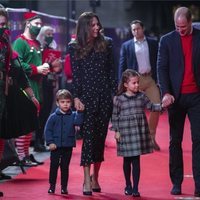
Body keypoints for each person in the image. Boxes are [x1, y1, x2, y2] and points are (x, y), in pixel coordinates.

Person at [68, 12, 117, 195]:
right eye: (92, 25)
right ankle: (85, 179)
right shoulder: (74, 47)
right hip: (86, 100)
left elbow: (111, 72)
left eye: (98, 24)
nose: (97, 27)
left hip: (104, 97)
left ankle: (95, 176)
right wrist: (76, 98)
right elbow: (76, 77)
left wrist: (115, 94)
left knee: (99, 139)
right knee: (88, 140)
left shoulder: (107, 43)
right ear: (84, 27)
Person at [157, 7, 200, 197]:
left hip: (197, 96)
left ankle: (199, 183)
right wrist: (165, 92)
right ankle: (176, 182)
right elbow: (162, 68)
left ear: (191, 22)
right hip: (175, 97)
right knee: (175, 141)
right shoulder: (166, 40)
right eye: (177, 26)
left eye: (183, 26)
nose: (180, 30)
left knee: (198, 140)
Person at [0, 6, 40, 197]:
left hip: (3, 96)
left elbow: (17, 70)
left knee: (0, 136)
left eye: (3, 24)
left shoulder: (6, 42)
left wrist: (31, 96)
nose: (2, 28)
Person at [111, 69, 163, 197]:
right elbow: (115, 116)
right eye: (133, 83)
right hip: (125, 132)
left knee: (136, 160)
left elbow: (151, 106)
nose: (137, 85)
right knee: (127, 160)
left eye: (137, 82)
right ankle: (128, 184)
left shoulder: (142, 96)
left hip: (137, 133)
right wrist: (116, 131)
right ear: (125, 84)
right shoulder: (119, 99)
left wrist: (162, 105)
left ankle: (135, 187)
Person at [12, 12, 50, 165]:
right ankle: (20, 156)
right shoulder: (20, 42)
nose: (39, 27)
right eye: (37, 24)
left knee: (31, 124)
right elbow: (17, 64)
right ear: (28, 23)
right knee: (24, 122)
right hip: (24, 87)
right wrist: (37, 69)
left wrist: (45, 69)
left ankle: (26, 154)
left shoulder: (36, 44)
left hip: (36, 86)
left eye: (41, 24)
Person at [118, 20, 161, 151]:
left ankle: (151, 137)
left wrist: (160, 79)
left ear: (143, 29)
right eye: (133, 30)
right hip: (134, 80)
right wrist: (121, 83)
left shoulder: (153, 43)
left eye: (138, 29)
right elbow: (122, 64)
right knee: (133, 110)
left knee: (157, 106)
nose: (136, 31)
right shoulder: (127, 45)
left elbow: (159, 61)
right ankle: (133, 139)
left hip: (150, 78)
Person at [44, 89, 83, 195]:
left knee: (65, 167)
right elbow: (48, 130)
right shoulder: (53, 117)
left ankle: (64, 187)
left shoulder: (73, 115)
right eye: (62, 102)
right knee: (54, 166)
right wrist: (50, 142)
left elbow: (78, 123)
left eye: (68, 102)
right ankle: (52, 186)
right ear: (57, 103)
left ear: (71, 102)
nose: (65, 104)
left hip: (68, 146)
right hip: (55, 146)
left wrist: (79, 112)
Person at [36, 25, 62, 151]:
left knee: (47, 112)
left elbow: (57, 70)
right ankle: (37, 141)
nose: (50, 36)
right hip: (40, 83)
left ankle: (42, 139)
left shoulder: (53, 49)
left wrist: (57, 66)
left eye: (52, 34)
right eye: (48, 34)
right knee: (40, 113)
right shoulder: (37, 48)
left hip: (50, 83)